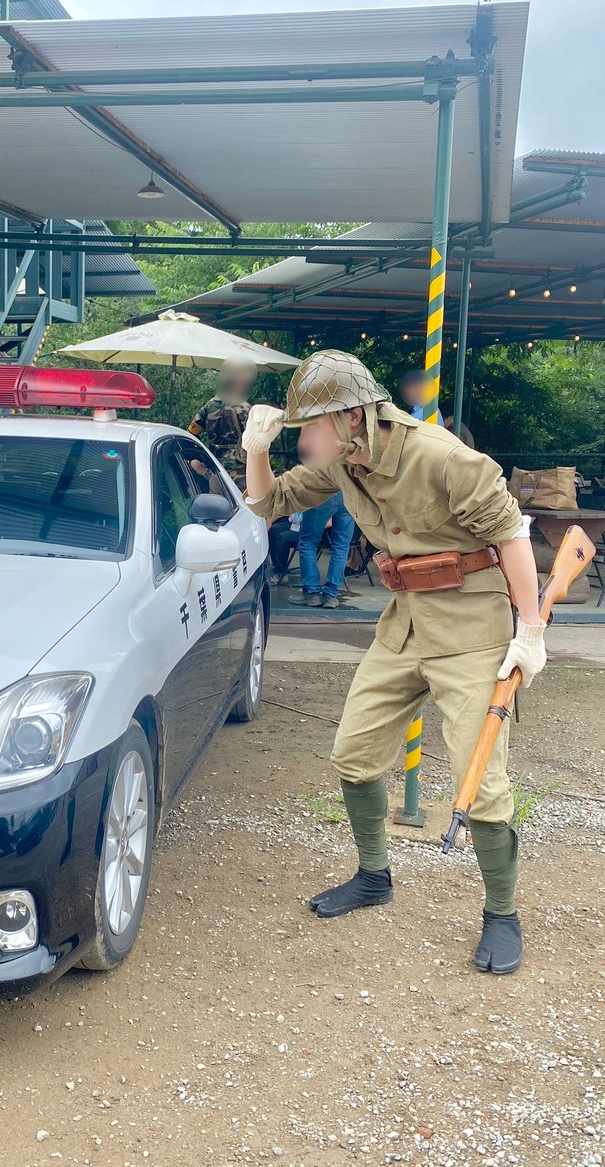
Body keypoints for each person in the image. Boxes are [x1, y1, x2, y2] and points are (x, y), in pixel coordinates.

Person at [241, 349, 545, 976]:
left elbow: (513, 536)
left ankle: (502, 913)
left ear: (353, 416)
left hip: (472, 629)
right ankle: (374, 875)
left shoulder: (442, 458)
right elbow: (266, 505)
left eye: (310, 427)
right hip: (403, 624)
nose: (304, 440)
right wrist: (257, 449)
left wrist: (531, 630)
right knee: (353, 753)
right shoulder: (342, 463)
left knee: (480, 784)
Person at [187, 354, 258, 488]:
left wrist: (201, 454)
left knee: (217, 503)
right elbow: (256, 441)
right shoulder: (247, 409)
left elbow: (192, 432)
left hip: (214, 466)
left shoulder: (210, 406)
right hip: (241, 469)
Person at [288, 494, 357, 608]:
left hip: (323, 492)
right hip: (348, 494)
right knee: (341, 546)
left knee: (308, 542)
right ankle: (331, 595)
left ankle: (312, 593)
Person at [268, 513, 301, 585]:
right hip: (296, 522)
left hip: (309, 527)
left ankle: (281, 572)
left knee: (281, 537)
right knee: (273, 530)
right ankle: (277, 567)